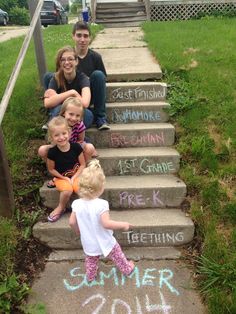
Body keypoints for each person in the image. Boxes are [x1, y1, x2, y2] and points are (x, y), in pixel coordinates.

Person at [69, 159, 134, 282]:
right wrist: (123, 225)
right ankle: (127, 269)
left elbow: (72, 222)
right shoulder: (102, 204)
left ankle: (90, 276)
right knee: (117, 255)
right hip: (105, 240)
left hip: (88, 241)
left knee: (91, 259)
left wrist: (78, 231)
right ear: (101, 188)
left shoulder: (76, 203)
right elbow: (106, 223)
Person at [44, 22, 110, 130]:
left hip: (86, 96)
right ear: (73, 36)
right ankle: (52, 116)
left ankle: (100, 117)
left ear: (90, 38)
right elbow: (60, 76)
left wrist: (87, 84)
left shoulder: (95, 57)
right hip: (65, 97)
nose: (82, 40)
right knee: (48, 76)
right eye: (79, 35)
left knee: (98, 75)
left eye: (85, 36)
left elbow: (101, 81)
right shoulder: (67, 55)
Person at [46, 116, 86, 223]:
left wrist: (74, 177)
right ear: (51, 137)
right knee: (67, 191)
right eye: (56, 135)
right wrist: (63, 178)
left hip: (76, 175)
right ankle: (61, 207)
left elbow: (82, 165)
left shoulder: (76, 147)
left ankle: (85, 209)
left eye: (64, 133)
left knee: (80, 189)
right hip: (61, 178)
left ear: (69, 132)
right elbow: (51, 169)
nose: (61, 137)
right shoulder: (52, 152)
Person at [44, 46, 94, 128]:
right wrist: (72, 93)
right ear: (60, 63)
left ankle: (63, 129)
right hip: (61, 112)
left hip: (76, 113)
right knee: (58, 109)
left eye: (70, 59)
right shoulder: (56, 78)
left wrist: (57, 97)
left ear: (76, 61)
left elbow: (85, 103)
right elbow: (47, 103)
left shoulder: (82, 78)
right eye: (63, 60)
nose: (66, 62)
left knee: (88, 115)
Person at [39, 96, 97, 166]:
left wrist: (72, 148)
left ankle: (84, 168)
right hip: (59, 147)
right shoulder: (57, 124)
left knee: (90, 147)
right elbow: (52, 140)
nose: (74, 118)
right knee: (42, 150)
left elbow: (81, 140)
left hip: (74, 147)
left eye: (77, 115)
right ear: (64, 113)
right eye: (71, 114)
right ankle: (53, 168)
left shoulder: (79, 125)